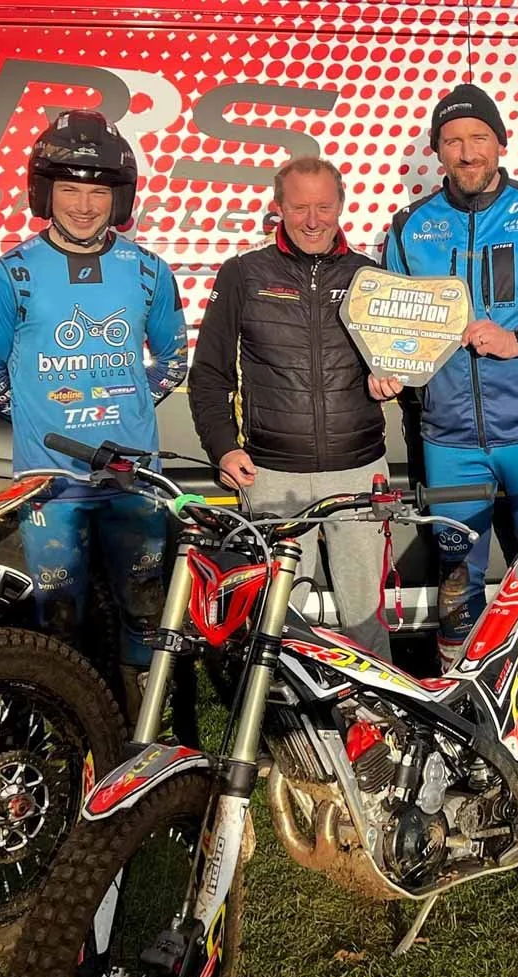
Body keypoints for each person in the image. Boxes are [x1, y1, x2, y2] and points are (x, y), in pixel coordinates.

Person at [0, 109, 188, 721]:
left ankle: (146, 734)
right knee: (59, 616)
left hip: (132, 481)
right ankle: (68, 728)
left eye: (98, 191)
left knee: (145, 604)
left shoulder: (146, 271)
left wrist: (122, 404)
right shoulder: (10, 274)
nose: (85, 205)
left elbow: (173, 360)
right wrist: (41, 418)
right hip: (50, 484)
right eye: (70, 189)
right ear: (44, 192)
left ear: (118, 197)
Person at [379, 83, 518, 669]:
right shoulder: (409, 226)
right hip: (449, 438)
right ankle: (466, 725)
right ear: (437, 152)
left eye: (479, 137)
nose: (467, 151)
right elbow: (393, 326)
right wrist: (389, 367)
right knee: (457, 586)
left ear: (501, 142)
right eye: (452, 141)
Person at [188, 156, 393, 660]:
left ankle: (375, 725)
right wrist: (222, 448)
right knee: (278, 619)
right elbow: (209, 376)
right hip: (273, 476)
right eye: (299, 207)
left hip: (358, 472)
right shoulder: (242, 274)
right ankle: (283, 725)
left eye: (324, 206)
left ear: (342, 206)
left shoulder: (369, 276)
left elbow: (401, 364)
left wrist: (392, 383)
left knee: (365, 618)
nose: (313, 219)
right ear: (278, 208)